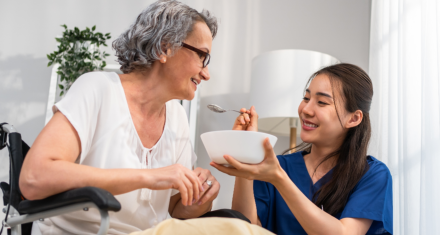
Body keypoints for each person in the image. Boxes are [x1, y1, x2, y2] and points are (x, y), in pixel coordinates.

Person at [20, 0, 221, 234]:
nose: (206, 74)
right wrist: (149, 177)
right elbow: (34, 178)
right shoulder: (97, 89)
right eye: (202, 56)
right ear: (164, 48)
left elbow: (175, 210)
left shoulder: (176, 117)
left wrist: (201, 196)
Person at [211, 63, 393, 235]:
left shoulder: (372, 175)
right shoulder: (277, 166)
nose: (306, 109)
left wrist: (279, 179)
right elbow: (246, 228)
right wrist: (247, 154)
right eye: (306, 98)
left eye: (321, 102)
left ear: (353, 118)